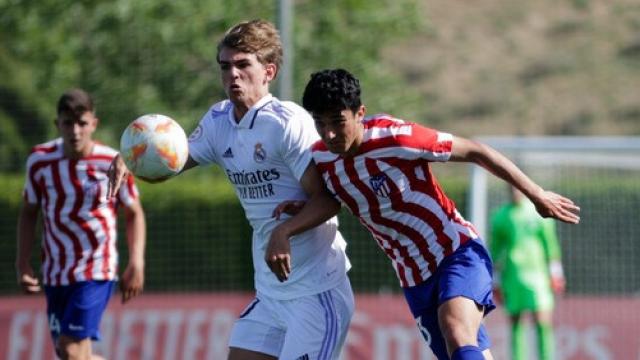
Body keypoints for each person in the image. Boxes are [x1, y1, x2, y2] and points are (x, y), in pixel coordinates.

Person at [267, 68, 580, 360]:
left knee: (455, 327)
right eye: (320, 123)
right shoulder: (322, 157)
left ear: (359, 113)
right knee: (463, 349)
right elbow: (332, 200)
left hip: (456, 251)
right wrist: (293, 221)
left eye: (338, 121)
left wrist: (536, 194)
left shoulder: (397, 138)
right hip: (413, 276)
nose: (330, 133)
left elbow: (475, 150)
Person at [108, 20, 354, 360]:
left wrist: (284, 231)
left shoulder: (286, 123)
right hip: (271, 294)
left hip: (316, 293)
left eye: (243, 65)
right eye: (226, 67)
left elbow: (328, 199)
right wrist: (133, 157)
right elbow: (170, 165)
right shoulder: (217, 122)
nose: (233, 75)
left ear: (268, 72)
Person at [16, 88, 146, 360]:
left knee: (71, 349)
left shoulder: (112, 162)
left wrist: (136, 262)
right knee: (75, 355)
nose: (75, 131)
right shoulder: (40, 161)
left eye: (82, 123)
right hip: (55, 271)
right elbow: (29, 211)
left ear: (93, 124)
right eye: (67, 123)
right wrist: (22, 262)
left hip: (96, 269)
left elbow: (133, 212)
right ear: (57, 124)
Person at [489, 186, 566, 360]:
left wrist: (556, 273)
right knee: (516, 321)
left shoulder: (539, 213)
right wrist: (495, 281)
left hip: (538, 274)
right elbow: (495, 251)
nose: (516, 192)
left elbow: (550, 244)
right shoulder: (501, 216)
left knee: (542, 320)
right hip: (513, 275)